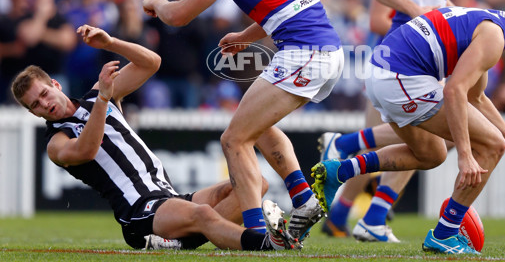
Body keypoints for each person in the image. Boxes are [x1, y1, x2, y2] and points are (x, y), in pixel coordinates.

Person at [141, 0, 343, 243]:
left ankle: (253, 232)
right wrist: (246, 35)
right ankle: (303, 198)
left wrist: (155, 1)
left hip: (304, 54)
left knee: (233, 139)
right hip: (326, 50)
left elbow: (179, 15)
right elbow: (288, 4)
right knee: (256, 127)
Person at [312, 0, 505, 254]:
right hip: (400, 78)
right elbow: (454, 91)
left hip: (384, 73)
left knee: (431, 154)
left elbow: (476, 98)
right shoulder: (493, 38)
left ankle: (339, 171)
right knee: (492, 146)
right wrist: (466, 154)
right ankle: (445, 233)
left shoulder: (489, 22)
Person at [11, 24, 297, 251]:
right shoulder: (57, 142)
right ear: (33, 114)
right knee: (204, 216)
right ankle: (264, 245)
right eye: (35, 105)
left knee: (254, 183)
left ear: (56, 84)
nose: (44, 104)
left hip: (166, 195)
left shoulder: (98, 96)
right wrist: (104, 98)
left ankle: (180, 242)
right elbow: (87, 149)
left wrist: (111, 43)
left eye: (44, 94)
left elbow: (151, 63)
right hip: (139, 212)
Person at [320, 0, 463, 242]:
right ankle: (362, 211)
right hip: (404, 52)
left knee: (430, 141)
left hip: (429, 53)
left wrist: (457, 16)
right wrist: (418, 14)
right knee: (432, 136)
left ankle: (350, 212)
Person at [319, 0, 420, 243]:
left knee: (402, 147)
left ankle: (344, 215)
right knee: (417, 144)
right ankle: (371, 212)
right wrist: (419, 17)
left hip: (402, 68)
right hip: (389, 67)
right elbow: (377, 20)